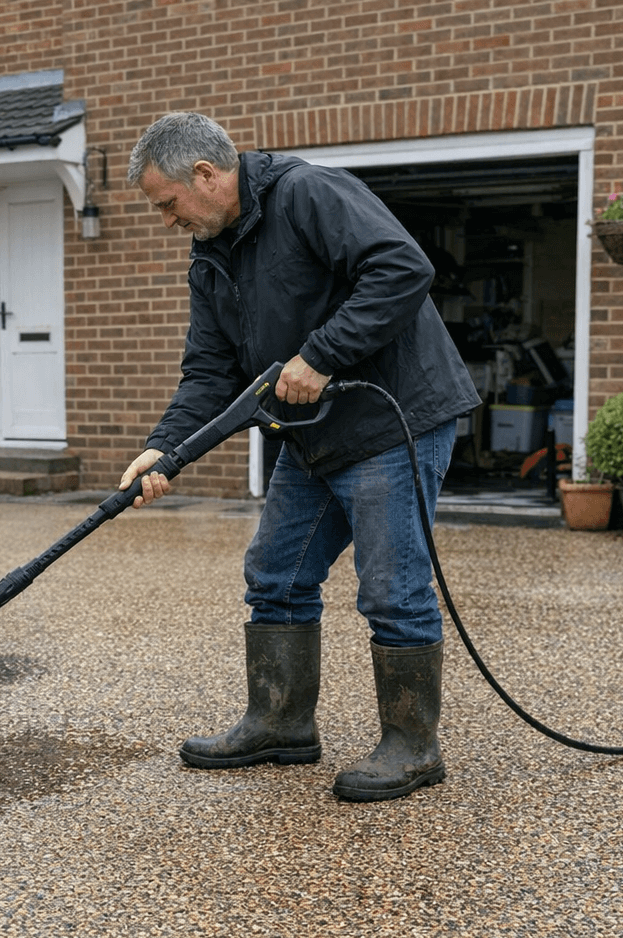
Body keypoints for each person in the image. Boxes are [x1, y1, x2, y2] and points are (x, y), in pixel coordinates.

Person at [120, 112, 481, 802]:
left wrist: (320, 355)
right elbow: (209, 371)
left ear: (205, 174)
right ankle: (281, 723)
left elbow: (402, 268)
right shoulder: (211, 254)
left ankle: (413, 746)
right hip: (312, 434)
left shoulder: (308, 193)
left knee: (392, 590)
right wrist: (163, 449)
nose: (167, 220)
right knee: (276, 574)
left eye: (168, 203)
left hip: (391, 421)